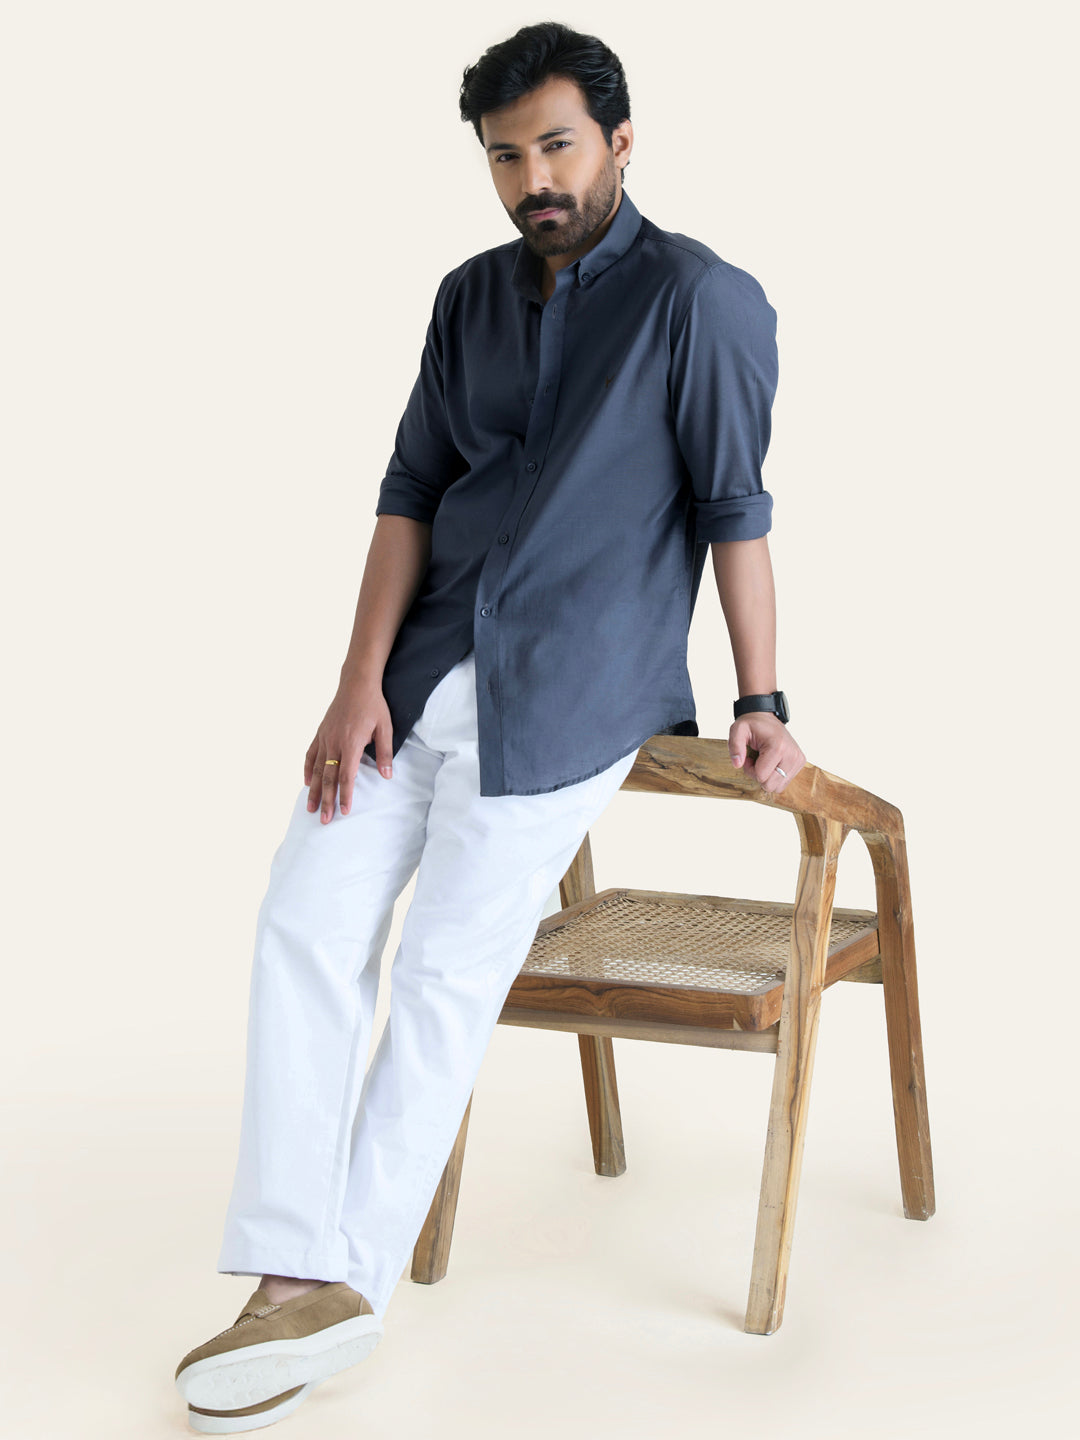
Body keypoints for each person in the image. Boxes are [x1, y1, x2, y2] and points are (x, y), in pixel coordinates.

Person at [174, 19, 806, 1433]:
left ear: (621, 142)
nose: (535, 179)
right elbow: (410, 488)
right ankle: (287, 1267)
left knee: (446, 975)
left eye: (557, 146)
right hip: (416, 681)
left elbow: (735, 509)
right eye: (507, 156)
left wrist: (762, 699)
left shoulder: (702, 302)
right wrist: (356, 681)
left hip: (571, 695)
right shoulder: (467, 299)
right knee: (302, 921)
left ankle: (339, 1287)